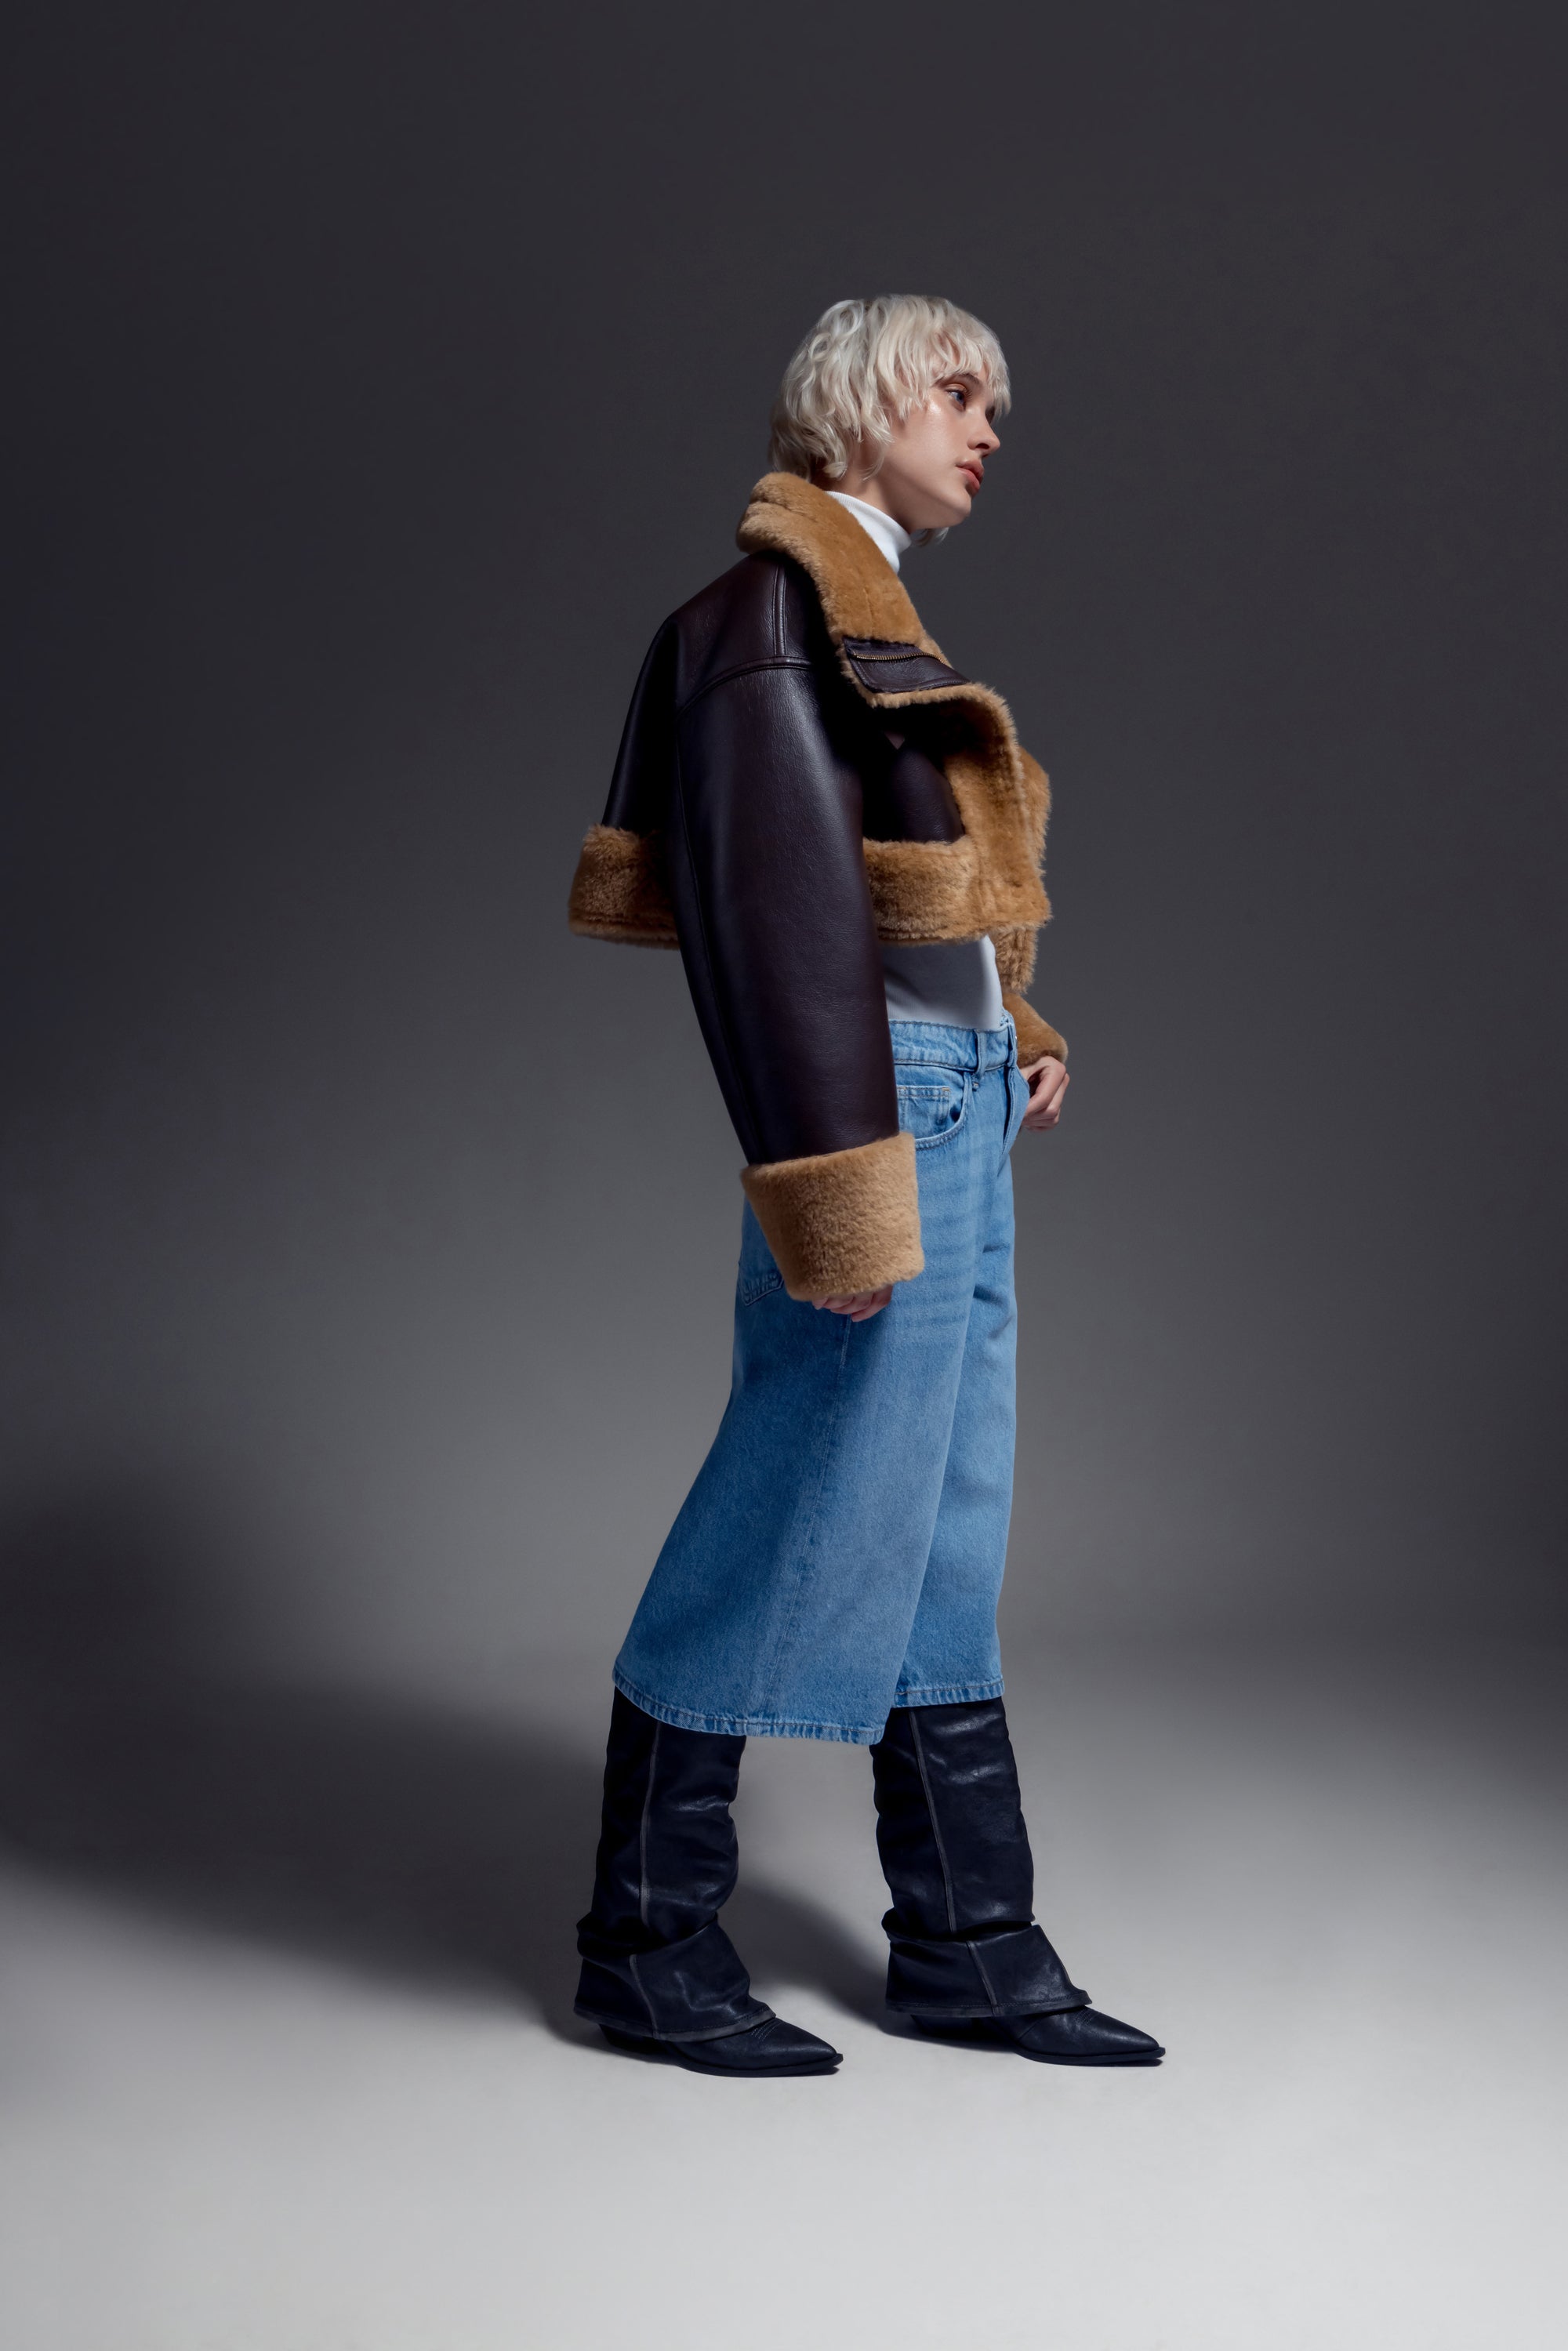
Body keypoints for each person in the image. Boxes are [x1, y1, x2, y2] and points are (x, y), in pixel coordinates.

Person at [566, 296, 1162, 2077]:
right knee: (795, 1496)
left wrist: (1013, 1028)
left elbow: (907, 896)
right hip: (873, 1118)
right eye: (954, 393)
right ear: (855, 404)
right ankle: (646, 1942)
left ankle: (969, 1942)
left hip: (950, 1099)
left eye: (993, 401)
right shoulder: (769, 623)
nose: (987, 428)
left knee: (942, 1522)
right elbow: (776, 937)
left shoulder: (863, 611)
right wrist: (832, 1189)